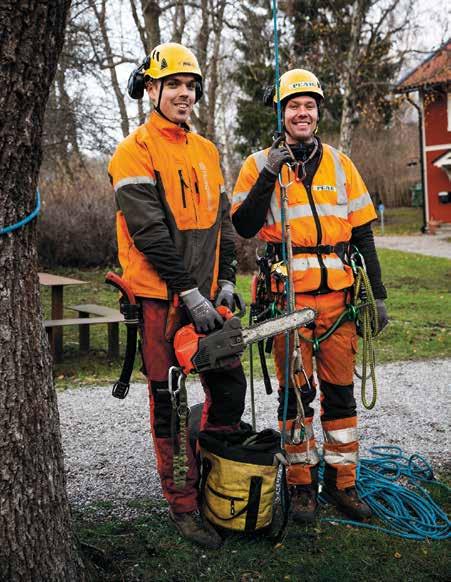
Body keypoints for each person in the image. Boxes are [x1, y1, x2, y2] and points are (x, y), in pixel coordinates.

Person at [232, 69, 388, 523]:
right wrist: (269, 172)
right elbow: (243, 227)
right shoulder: (258, 163)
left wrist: (376, 296)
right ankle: (301, 487)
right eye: (292, 106)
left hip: (339, 303)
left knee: (340, 396)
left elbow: (363, 235)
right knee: (295, 397)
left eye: (309, 106)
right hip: (287, 304)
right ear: (280, 113)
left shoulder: (341, 165)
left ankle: (344, 484)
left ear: (318, 113)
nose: (302, 112)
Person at [108, 42, 246, 549]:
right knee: (169, 402)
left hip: (210, 298)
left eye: (191, 86)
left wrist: (226, 277)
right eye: (175, 85)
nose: (185, 94)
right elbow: (149, 234)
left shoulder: (207, 150)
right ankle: (182, 504)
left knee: (229, 389)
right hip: (159, 302)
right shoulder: (134, 151)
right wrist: (188, 293)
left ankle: (216, 479)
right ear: (152, 89)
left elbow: (223, 226)